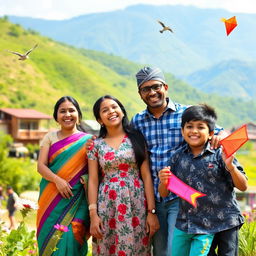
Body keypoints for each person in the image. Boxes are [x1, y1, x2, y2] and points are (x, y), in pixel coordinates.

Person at [130, 66, 225, 256]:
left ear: (165, 86)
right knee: (160, 251)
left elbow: (217, 131)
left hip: (180, 195)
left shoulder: (186, 113)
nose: (152, 92)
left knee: (176, 249)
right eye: (145, 89)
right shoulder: (137, 121)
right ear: (140, 94)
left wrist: (222, 134)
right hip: (153, 197)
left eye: (156, 86)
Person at [158, 104, 247, 256]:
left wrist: (230, 166)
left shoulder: (221, 153)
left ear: (211, 133)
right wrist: (163, 181)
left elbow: (243, 186)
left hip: (226, 221)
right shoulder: (177, 158)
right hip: (199, 226)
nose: (194, 131)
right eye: (189, 126)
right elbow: (164, 193)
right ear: (182, 130)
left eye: (200, 127)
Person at [87, 95, 159, 255]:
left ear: (122, 111)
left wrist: (151, 212)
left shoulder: (137, 139)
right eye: (105, 110)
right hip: (107, 205)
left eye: (114, 107)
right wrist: (93, 215)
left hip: (136, 205)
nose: (111, 112)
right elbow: (93, 180)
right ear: (100, 120)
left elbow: (146, 176)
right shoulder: (95, 145)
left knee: (137, 248)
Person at [37, 96, 91, 256]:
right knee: (48, 240)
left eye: (71, 110)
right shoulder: (50, 137)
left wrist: (86, 178)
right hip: (50, 198)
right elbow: (40, 166)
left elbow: (95, 171)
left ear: (78, 115)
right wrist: (57, 180)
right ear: (56, 116)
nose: (67, 114)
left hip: (78, 199)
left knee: (73, 236)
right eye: (62, 111)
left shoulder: (88, 140)